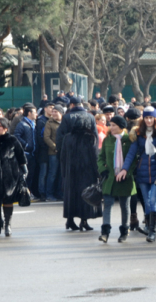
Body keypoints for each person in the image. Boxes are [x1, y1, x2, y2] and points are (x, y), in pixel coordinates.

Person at [57, 96, 102, 231]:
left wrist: (63, 167)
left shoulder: (66, 123)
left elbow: (60, 142)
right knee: (86, 192)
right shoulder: (90, 124)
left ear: (71, 105)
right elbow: (95, 151)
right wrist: (97, 170)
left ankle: (70, 220)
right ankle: (84, 220)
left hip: (71, 165)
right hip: (87, 166)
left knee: (71, 193)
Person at [122, 106, 156, 242]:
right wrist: (124, 168)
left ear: (155, 118)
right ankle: (148, 224)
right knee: (147, 201)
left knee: (153, 200)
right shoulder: (139, 134)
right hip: (142, 172)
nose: (148, 120)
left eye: (151, 117)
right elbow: (131, 153)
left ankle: (152, 231)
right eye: (146, 117)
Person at [97, 116, 138, 243]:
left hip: (125, 178)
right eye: (110, 124)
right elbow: (101, 157)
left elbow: (134, 159)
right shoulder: (107, 140)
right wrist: (102, 170)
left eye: (114, 125)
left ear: (121, 126)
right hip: (110, 177)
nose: (111, 127)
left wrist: (127, 172)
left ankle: (124, 231)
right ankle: (105, 232)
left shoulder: (129, 140)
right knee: (107, 204)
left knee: (125, 206)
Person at [14, 105, 38, 198]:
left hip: (33, 154)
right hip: (25, 153)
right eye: (34, 112)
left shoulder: (33, 123)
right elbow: (16, 136)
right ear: (29, 113)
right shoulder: (22, 124)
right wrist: (26, 145)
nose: (36, 114)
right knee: (24, 174)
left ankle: (28, 191)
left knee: (31, 174)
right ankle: (22, 192)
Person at [42, 105, 63, 201]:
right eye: (53, 111)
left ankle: (60, 193)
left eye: (56, 111)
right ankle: (49, 194)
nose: (54, 113)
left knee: (61, 174)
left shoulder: (64, 122)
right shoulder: (49, 122)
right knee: (52, 174)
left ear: (61, 113)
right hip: (53, 152)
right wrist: (55, 147)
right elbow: (46, 137)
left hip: (63, 152)